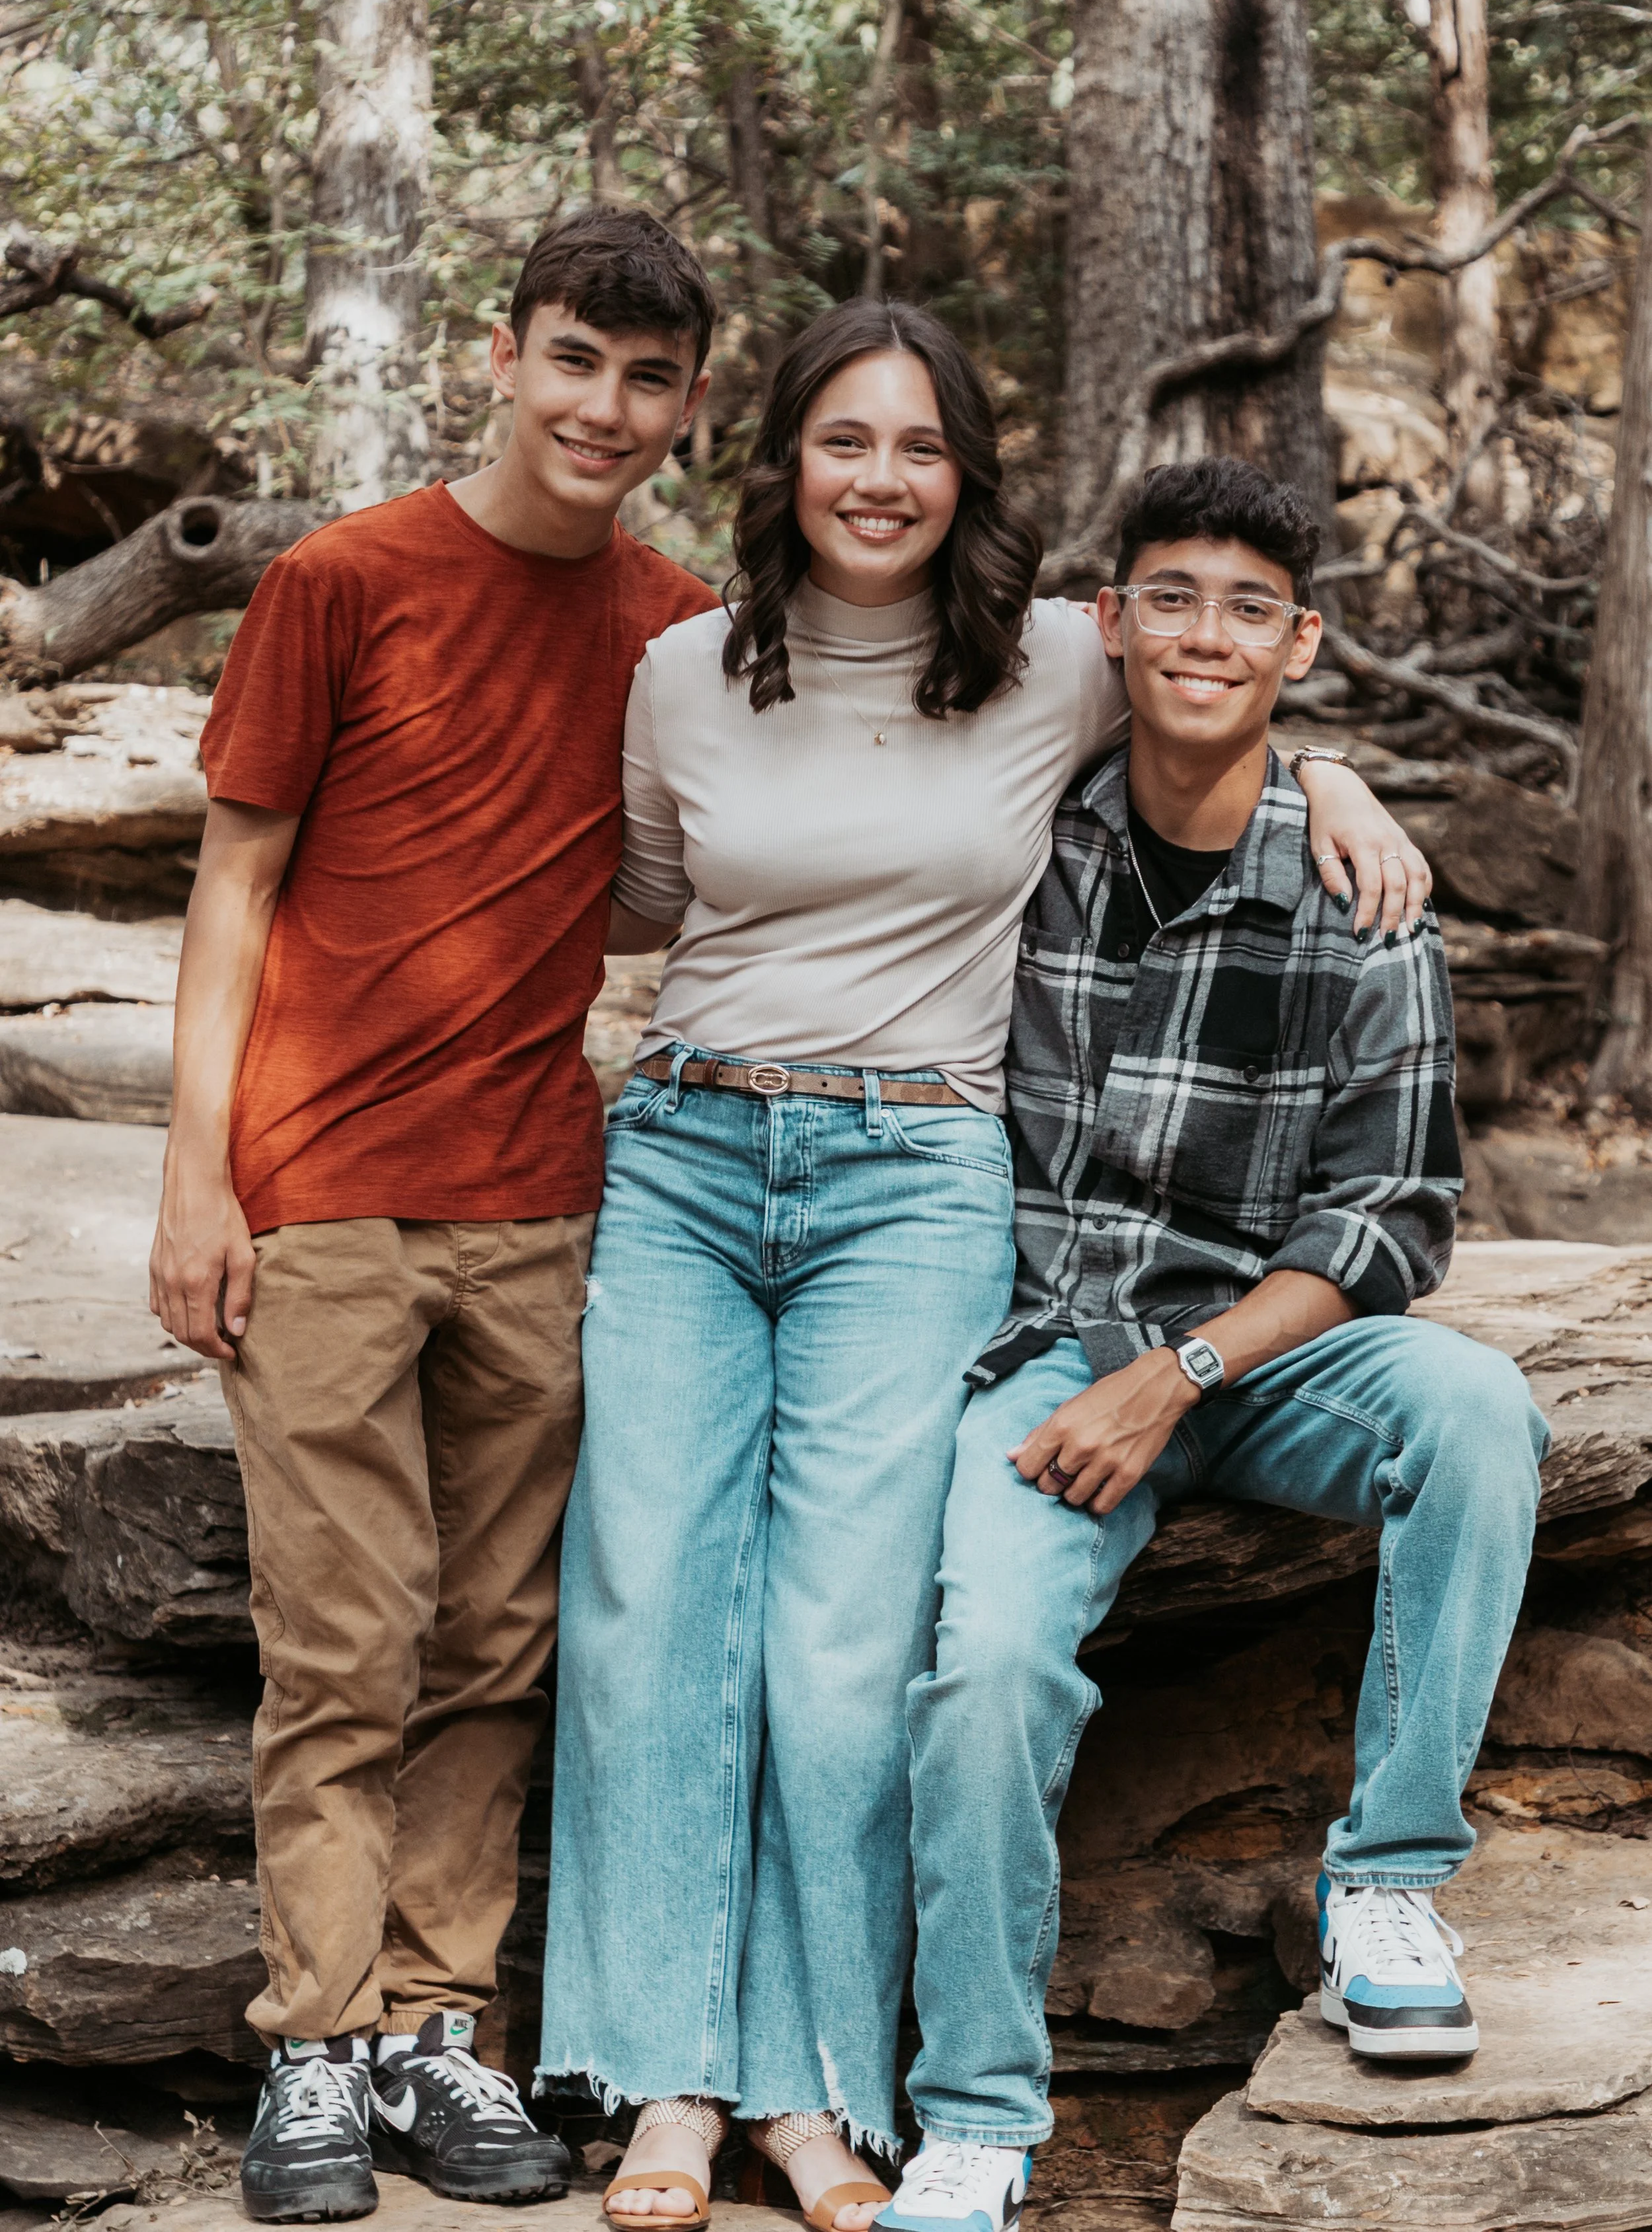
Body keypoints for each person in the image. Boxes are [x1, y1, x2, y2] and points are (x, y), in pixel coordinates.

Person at [539, 318, 1433, 2232]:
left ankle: (812, 2090)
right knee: (642, 1608)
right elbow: (635, 898)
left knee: (852, 1637)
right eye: (840, 439)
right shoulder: (683, 668)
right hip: (688, 1152)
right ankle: (668, 2083)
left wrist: (1339, 773)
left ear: (966, 478)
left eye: (920, 446)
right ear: (779, 459)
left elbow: (1221, 682)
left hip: (917, 1173)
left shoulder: (1042, 657)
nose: (878, 476)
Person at [873, 457, 1550, 2232]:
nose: (1204, 631)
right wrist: (1103, 1373)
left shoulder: (1355, 888)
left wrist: (1175, 1376)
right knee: (992, 1666)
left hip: (1260, 1352)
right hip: (1040, 1342)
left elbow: (1391, 1215)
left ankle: (1387, 1883)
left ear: (1300, 642)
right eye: (1168, 594)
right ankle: (977, 2111)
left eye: (1250, 605)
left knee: (1475, 1410)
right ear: (1107, 625)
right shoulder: (1019, 840)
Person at [148, 209, 720, 2222]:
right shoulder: (340, 578)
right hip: (317, 1192)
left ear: (689, 406)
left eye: (648, 379)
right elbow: (232, 882)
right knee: (345, 1632)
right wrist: (196, 1172)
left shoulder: (677, 625)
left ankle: (431, 2033)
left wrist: (1313, 773)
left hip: (537, 1199)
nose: (605, 407)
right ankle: (312, 2049)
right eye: (576, 359)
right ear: (502, 355)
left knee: (492, 1635)